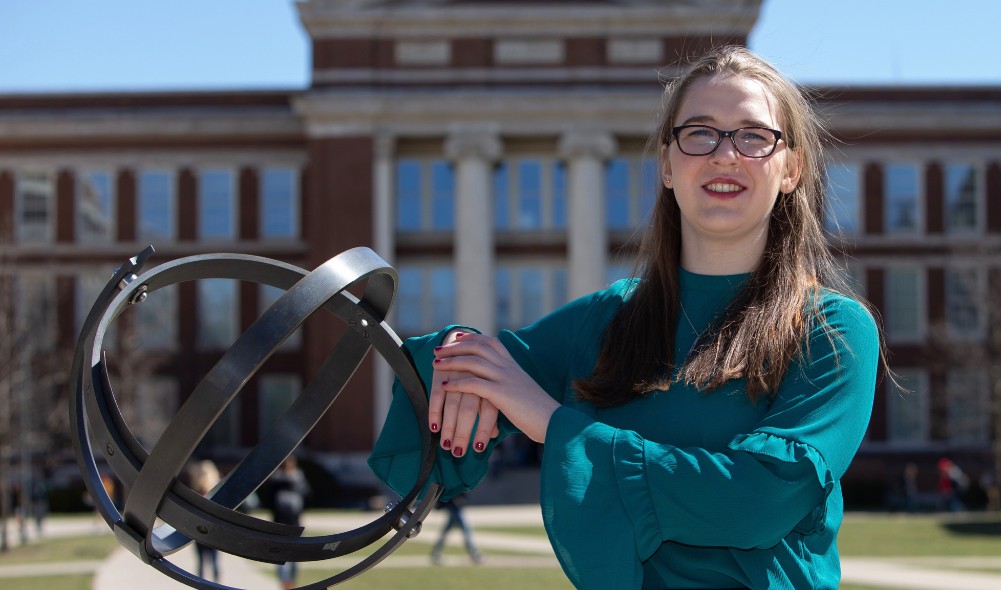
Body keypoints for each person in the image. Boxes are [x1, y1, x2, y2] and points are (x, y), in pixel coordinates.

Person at [370, 45, 884, 589]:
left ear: (791, 169)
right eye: (699, 133)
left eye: (754, 136)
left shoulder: (833, 331)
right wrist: (461, 356)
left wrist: (552, 424)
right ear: (666, 165)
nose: (725, 155)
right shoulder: (608, 319)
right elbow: (473, 373)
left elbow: (757, 500)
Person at [268, 456, 309, 590]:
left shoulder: (298, 479)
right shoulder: (276, 480)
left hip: (294, 523)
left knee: (294, 558)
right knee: (282, 558)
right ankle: (285, 584)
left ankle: (290, 583)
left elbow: (306, 495)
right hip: (280, 523)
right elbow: (270, 500)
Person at [189, 460, 222, 583]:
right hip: (213, 533)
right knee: (213, 562)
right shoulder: (217, 494)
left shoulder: (196, 494)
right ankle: (215, 585)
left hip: (200, 532)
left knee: (202, 562)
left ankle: (203, 585)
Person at [430, 492, 484, 565]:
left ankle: (435, 554)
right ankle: (474, 555)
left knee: (446, 532)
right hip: (453, 509)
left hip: (455, 508)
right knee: (466, 531)